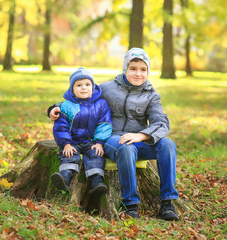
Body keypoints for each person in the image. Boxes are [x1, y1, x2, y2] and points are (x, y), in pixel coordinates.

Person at [48, 48, 179, 221]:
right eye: (133, 68)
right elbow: (83, 96)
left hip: (140, 139)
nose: (138, 73)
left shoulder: (151, 95)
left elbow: (161, 123)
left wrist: (142, 135)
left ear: (148, 71)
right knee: (126, 148)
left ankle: (167, 203)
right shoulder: (108, 88)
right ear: (125, 68)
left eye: (143, 69)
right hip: (112, 139)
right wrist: (54, 108)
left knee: (168, 144)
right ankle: (130, 204)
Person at [51, 67, 113, 197]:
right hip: (72, 141)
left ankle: (96, 181)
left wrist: (99, 142)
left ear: (93, 86)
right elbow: (61, 126)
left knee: (95, 155)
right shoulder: (66, 105)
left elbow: (104, 123)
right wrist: (66, 144)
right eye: (79, 85)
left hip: (91, 141)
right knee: (69, 155)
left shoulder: (101, 104)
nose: (84, 88)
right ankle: (64, 178)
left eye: (87, 84)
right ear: (72, 89)